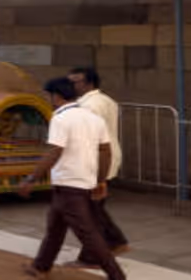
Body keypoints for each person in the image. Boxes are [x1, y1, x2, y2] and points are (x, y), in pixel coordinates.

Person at [18, 77, 125, 280]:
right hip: (82, 181)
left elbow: (55, 151)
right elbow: (105, 151)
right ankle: (40, 266)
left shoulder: (60, 119)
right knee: (55, 228)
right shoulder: (94, 118)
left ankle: (117, 276)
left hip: (69, 183)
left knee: (89, 235)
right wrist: (100, 180)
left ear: (56, 96)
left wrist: (32, 178)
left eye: (48, 96)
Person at [68, 67, 131, 267]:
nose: (71, 86)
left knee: (88, 213)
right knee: (93, 209)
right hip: (104, 158)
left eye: (75, 82)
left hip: (94, 160)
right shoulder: (106, 101)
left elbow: (88, 138)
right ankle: (113, 242)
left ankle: (98, 253)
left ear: (89, 83)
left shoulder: (88, 106)